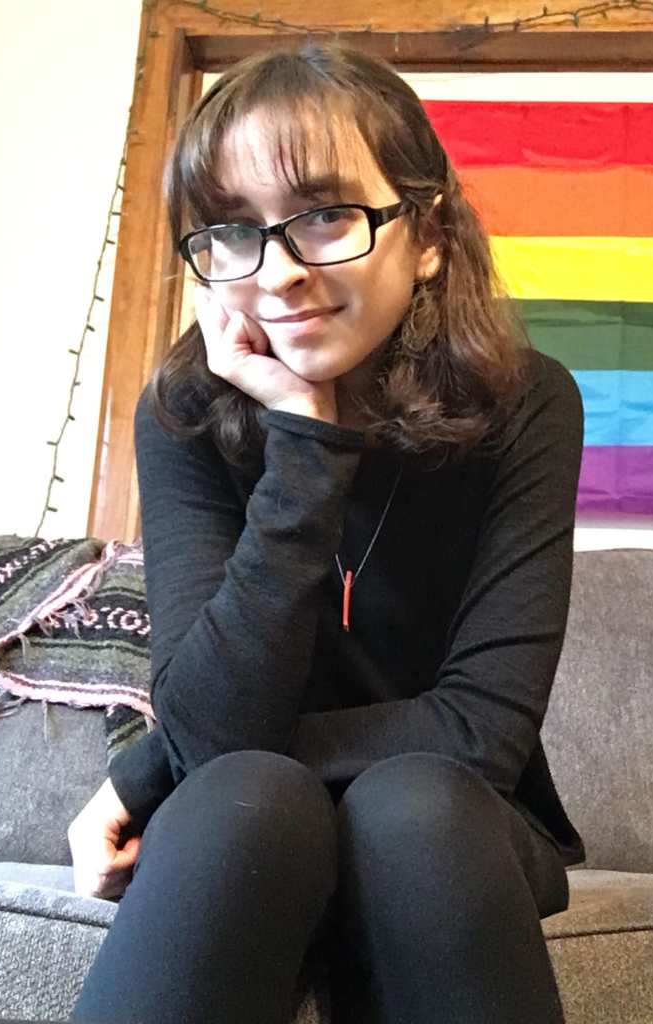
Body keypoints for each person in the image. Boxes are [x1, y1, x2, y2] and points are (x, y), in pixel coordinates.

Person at [66, 40, 586, 1024]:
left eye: (324, 216)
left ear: (426, 232)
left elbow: (478, 733)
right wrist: (305, 441)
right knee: (247, 801)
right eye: (231, 231)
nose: (279, 273)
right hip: (246, 821)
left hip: (455, 826)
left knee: (409, 804)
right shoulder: (183, 409)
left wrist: (144, 769)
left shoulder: (528, 404)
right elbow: (218, 743)